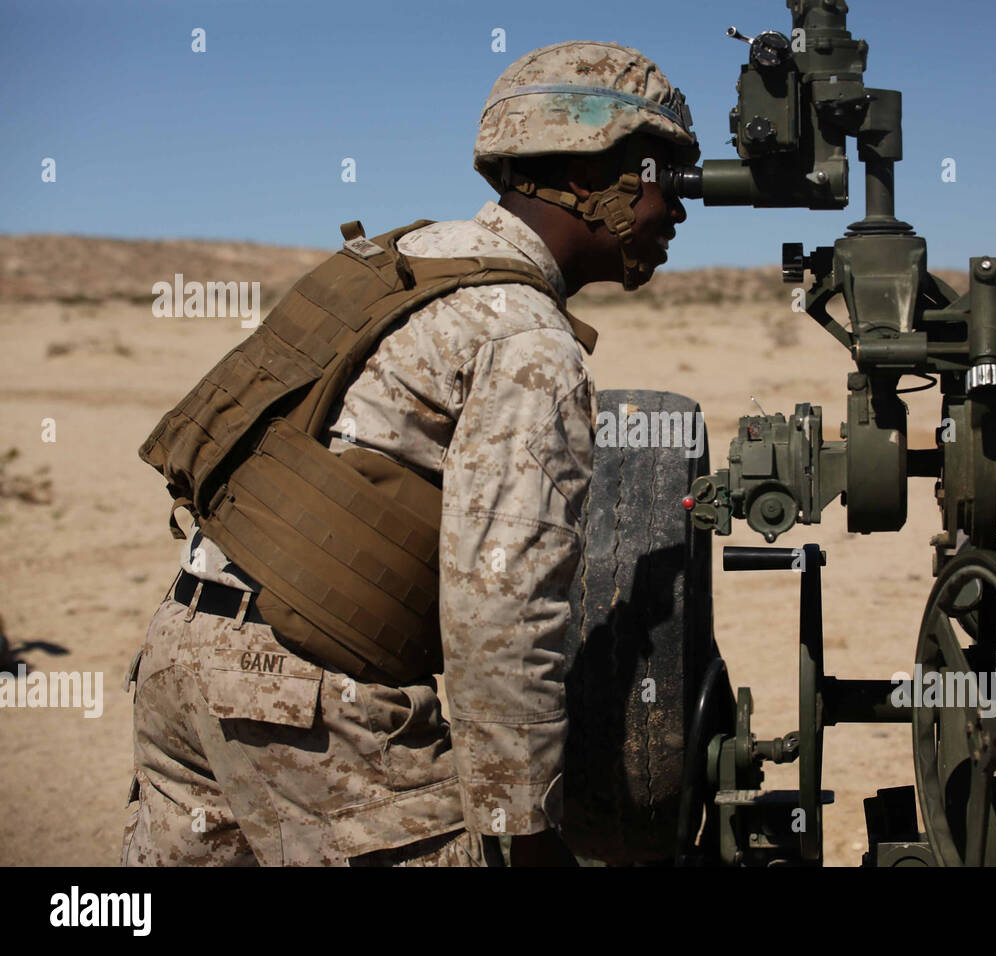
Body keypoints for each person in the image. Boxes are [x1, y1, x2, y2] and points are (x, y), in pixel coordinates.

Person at [121, 40, 697, 867]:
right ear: (584, 175)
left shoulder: (408, 263)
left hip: (183, 652)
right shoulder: (529, 341)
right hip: (307, 697)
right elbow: (502, 605)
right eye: (662, 175)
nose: (677, 207)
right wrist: (520, 824)